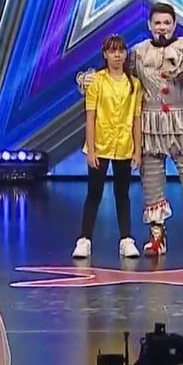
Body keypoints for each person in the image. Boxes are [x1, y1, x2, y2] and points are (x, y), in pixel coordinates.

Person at [78, 2, 183, 257]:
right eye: (157, 23)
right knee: (152, 178)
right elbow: (121, 78)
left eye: (167, 23)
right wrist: (90, 80)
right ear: (149, 25)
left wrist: (182, 67)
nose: (162, 27)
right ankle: (157, 235)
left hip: (181, 120)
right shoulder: (138, 52)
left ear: (174, 24)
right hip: (151, 120)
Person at [74, 34, 143, 260]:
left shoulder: (134, 84)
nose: (116, 55)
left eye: (120, 51)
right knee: (94, 193)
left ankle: (126, 240)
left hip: (124, 144)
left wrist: (138, 150)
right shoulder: (97, 82)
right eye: (112, 51)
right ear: (105, 54)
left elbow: (136, 119)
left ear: (125, 54)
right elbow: (90, 117)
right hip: (100, 145)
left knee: (122, 194)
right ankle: (84, 240)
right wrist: (92, 150)